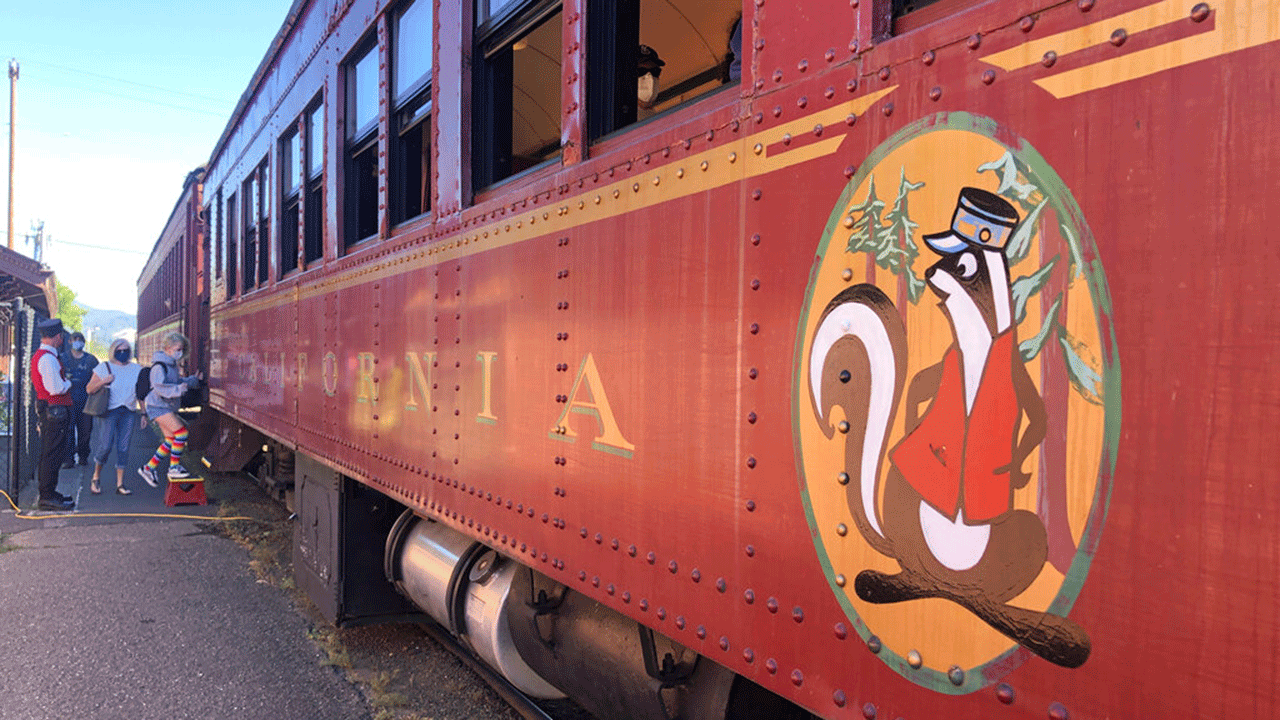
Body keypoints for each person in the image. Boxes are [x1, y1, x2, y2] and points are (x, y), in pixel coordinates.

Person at [138, 332, 201, 488]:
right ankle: (173, 468)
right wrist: (179, 389)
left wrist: (192, 380)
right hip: (158, 406)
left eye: (181, 349)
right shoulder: (159, 366)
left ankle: (148, 468)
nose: (179, 352)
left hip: (161, 406)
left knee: (170, 440)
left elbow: (177, 381)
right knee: (181, 433)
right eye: (177, 349)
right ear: (168, 348)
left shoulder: (170, 365)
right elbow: (160, 388)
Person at [86, 338, 143, 495]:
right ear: (113, 351)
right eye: (119, 350)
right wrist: (104, 381)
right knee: (105, 445)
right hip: (109, 411)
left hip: (129, 411)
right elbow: (89, 389)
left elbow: (140, 393)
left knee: (123, 447)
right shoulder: (104, 367)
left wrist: (143, 412)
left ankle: (120, 484)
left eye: (126, 350)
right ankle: (96, 476)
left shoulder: (137, 369)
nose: (123, 353)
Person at [31, 318, 75, 511]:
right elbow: (55, 388)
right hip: (54, 410)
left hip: (52, 410)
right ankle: (47, 495)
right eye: (61, 336)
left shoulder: (46, 356)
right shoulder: (48, 358)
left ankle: (50, 492)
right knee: (52, 453)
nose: (62, 339)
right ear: (57, 336)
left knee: (54, 453)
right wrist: (69, 383)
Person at [61, 330, 99, 468]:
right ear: (70, 341)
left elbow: (98, 377)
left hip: (86, 400)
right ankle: (68, 458)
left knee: (85, 430)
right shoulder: (63, 358)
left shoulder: (91, 360)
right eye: (74, 339)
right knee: (68, 429)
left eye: (80, 339)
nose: (77, 341)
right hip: (68, 400)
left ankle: (83, 456)